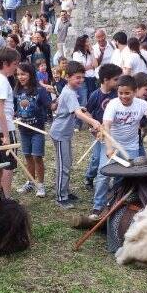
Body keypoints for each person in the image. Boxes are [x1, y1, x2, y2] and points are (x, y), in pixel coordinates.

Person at [94, 75, 147, 217]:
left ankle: (116, 202)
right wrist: (109, 148)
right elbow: (107, 127)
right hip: (112, 145)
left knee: (124, 177)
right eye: (120, 93)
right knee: (103, 174)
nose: (123, 96)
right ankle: (97, 206)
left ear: (134, 91)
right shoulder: (113, 104)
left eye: (127, 93)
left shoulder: (141, 104)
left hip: (131, 147)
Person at [50, 61, 102, 209]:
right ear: (68, 77)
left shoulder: (70, 91)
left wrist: (82, 109)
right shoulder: (68, 93)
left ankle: (65, 191)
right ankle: (61, 197)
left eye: (82, 77)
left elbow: (75, 109)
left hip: (64, 134)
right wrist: (93, 122)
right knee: (63, 165)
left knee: (67, 162)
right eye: (77, 77)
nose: (81, 80)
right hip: (59, 133)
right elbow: (77, 114)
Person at [0, 47, 21, 196]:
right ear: (6, 63)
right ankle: (5, 197)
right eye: (15, 64)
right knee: (8, 165)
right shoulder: (1, 81)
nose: (16, 67)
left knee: (0, 162)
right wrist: (6, 135)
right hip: (3, 128)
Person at [14, 62, 52, 198]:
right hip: (23, 130)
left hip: (37, 130)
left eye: (23, 74)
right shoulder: (17, 91)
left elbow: (50, 106)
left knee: (37, 157)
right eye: (18, 74)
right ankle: (30, 181)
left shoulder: (39, 90)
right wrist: (14, 116)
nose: (20, 77)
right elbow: (15, 109)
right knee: (28, 156)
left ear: (30, 74)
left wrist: (58, 97)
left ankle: (40, 185)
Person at [84, 63, 122, 192]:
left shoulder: (117, 94)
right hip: (99, 134)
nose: (118, 82)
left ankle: (112, 182)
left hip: (111, 133)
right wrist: (93, 126)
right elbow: (87, 112)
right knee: (95, 159)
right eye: (116, 79)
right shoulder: (95, 95)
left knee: (109, 158)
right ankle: (89, 177)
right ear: (105, 80)